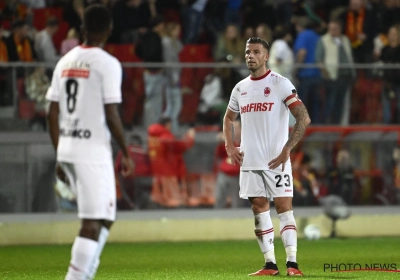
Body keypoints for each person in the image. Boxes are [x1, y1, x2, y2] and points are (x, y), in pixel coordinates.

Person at [46, 5, 134, 280]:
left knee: (106, 215)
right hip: (92, 152)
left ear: (83, 28)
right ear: (108, 30)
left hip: (70, 149)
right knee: (92, 222)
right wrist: (127, 152)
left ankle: (85, 274)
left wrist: (60, 152)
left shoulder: (65, 61)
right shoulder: (107, 63)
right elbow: (111, 113)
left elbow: (51, 112)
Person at [223, 37, 310, 276]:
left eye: (256, 52)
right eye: (248, 51)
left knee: (284, 208)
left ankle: (292, 263)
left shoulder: (280, 84)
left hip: (276, 160)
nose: (250, 55)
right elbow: (228, 118)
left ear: (266, 56)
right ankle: (270, 264)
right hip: (250, 161)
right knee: (258, 209)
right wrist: (230, 146)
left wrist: (287, 149)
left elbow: (303, 118)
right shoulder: (240, 88)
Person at [148, 117, 195, 207]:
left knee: (160, 196)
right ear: (167, 124)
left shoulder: (153, 137)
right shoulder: (165, 136)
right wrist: (190, 137)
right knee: (172, 198)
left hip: (157, 169)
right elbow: (180, 146)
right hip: (169, 169)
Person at [315, 19, 356, 125]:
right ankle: (327, 125)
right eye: (330, 29)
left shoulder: (345, 40)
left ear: (340, 29)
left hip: (345, 76)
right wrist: (326, 74)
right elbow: (319, 60)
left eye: (334, 29)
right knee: (330, 102)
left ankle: (337, 124)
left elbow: (349, 56)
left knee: (340, 103)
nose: (332, 31)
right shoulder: (323, 40)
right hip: (332, 77)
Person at [135, 15, 165, 129]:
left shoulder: (145, 36)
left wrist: (145, 60)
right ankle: (151, 125)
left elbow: (137, 50)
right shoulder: (155, 37)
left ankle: (152, 124)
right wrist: (156, 62)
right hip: (154, 71)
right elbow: (153, 52)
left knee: (152, 98)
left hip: (148, 70)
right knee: (153, 99)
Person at [214, 119, 243, 208]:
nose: (234, 131)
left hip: (237, 175)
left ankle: (237, 219)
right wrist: (221, 140)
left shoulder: (244, 142)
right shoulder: (227, 142)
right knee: (219, 198)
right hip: (224, 173)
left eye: (236, 128)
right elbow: (218, 153)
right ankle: (216, 217)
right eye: (232, 128)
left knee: (237, 201)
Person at [162, 22, 183, 135]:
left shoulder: (174, 42)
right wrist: (174, 77)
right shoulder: (167, 42)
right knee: (173, 105)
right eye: (176, 30)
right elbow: (169, 61)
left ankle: (171, 129)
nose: (178, 32)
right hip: (170, 76)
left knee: (175, 104)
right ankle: (169, 129)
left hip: (175, 74)